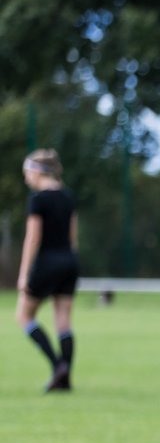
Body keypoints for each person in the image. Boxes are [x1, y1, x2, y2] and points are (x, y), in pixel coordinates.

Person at [16, 149, 78, 393]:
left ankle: (57, 365)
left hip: (47, 262)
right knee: (63, 319)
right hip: (69, 261)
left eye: (27, 173)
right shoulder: (68, 196)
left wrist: (24, 273)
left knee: (24, 316)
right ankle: (66, 378)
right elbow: (73, 236)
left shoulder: (38, 199)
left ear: (37, 171)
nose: (26, 179)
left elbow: (32, 238)